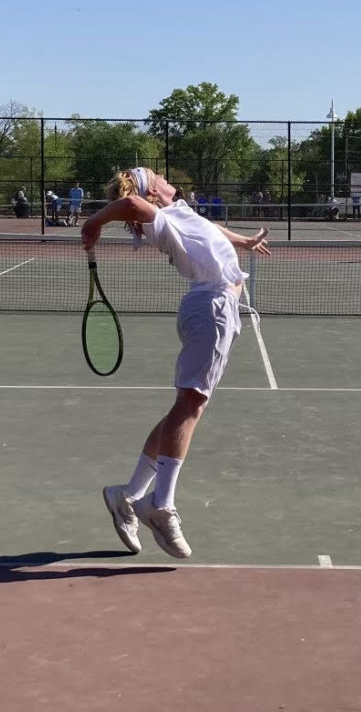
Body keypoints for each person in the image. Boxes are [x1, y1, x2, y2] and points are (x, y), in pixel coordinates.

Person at [82, 167, 270, 559]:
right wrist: (94, 223)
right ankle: (160, 504)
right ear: (152, 192)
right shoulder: (161, 219)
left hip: (215, 308)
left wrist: (245, 242)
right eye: (154, 173)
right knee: (191, 405)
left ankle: (127, 496)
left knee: (184, 406)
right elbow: (130, 203)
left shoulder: (181, 212)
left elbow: (213, 230)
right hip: (212, 307)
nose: (163, 173)